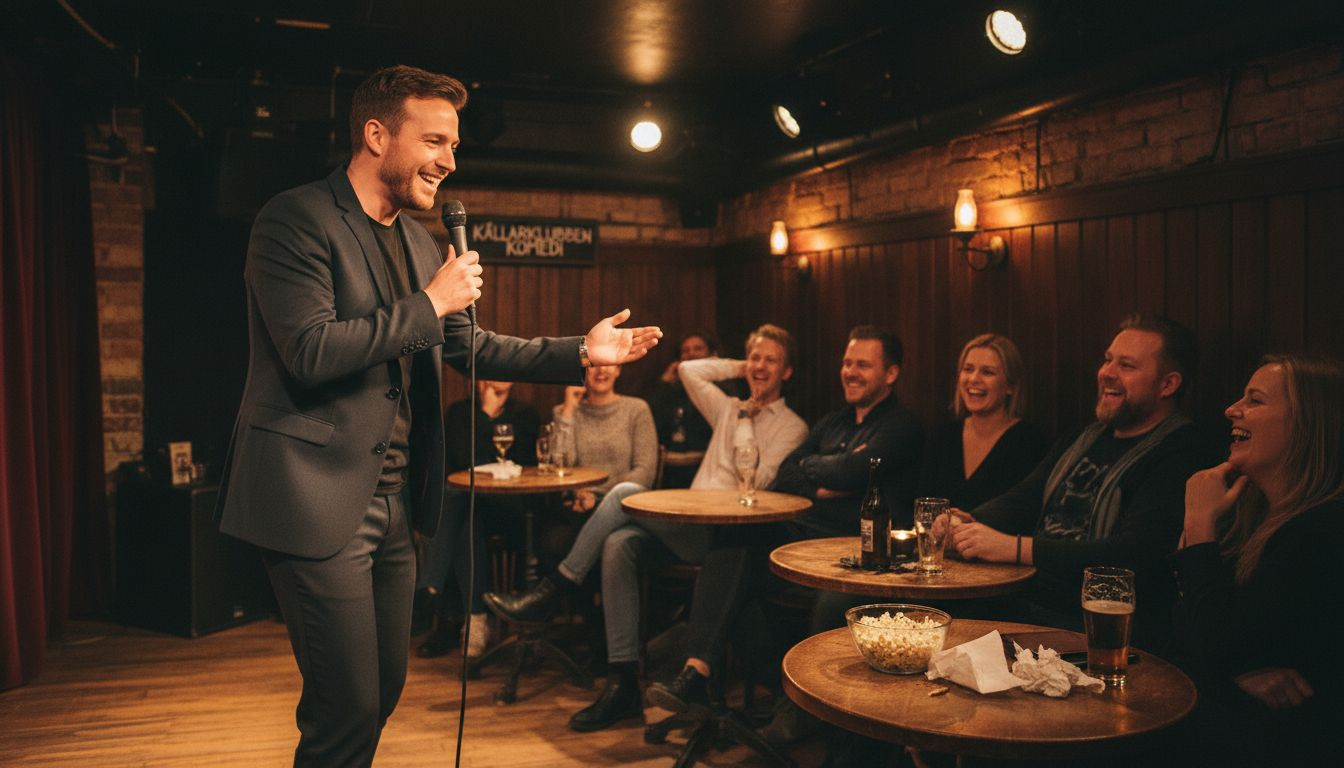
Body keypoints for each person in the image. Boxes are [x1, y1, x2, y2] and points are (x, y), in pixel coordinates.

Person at [214, 65, 660, 768]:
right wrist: (430, 303)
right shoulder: (295, 220)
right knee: (345, 707)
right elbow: (308, 350)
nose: (450, 160)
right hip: (312, 494)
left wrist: (582, 350)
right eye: (434, 141)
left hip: (394, 500)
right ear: (376, 135)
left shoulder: (420, 245)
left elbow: (472, 346)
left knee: (382, 691)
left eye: (453, 145)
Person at [483, 323, 808, 732]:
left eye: (771, 361)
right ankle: (622, 684)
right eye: (755, 357)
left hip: (728, 531)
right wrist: (745, 366)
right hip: (689, 524)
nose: (760, 366)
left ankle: (553, 589)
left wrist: (748, 414)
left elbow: (757, 482)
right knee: (620, 543)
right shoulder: (727, 408)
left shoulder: (791, 426)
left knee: (623, 493)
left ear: (787, 371)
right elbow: (690, 371)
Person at [645, 327, 922, 756]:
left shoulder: (902, 426)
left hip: (857, 554)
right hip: (803, 543)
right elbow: (789, 475)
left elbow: (849, 472)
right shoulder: (833, 422)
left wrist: (830, 471)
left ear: (891, 374)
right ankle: (702, 671)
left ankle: (790, 706)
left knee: (810, 596)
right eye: (847, 363)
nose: (850, 372)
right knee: (735, 546)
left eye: (863, 365)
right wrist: (829, 474)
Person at [947, 313, 1209, 653]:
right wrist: (965, 522)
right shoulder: (1086, 436)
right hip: (1030, 600)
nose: (1107, 373)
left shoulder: (1181, 450)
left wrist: (1014, 548)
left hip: (1095, 625)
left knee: (948, 631)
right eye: (1108, 360)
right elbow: (1026, 497)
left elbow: (1133, 553)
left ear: (1168, 385)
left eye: (1126, 366)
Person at [1170, 354, 1344, 761]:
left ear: (1306, 424)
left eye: (1255, 400)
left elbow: (1214, 643)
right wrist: (1232, 673)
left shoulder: (1324, 529)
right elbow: (1181, 623)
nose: (1232, 409)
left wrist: (1198, 524)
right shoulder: (1247, 516)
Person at [415, 380, 540, 660]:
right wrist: (484, 412)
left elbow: (524, 462)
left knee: (455, 502)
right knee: (464, 515)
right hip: (470, 506)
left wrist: (486, 418)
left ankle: (431, 591)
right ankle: (476, 619)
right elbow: (462, 460)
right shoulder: (460, 412)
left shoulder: (524, 414)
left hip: (510, 508)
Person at [919, 333, 1050, 512]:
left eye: (987, 372)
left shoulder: (1029, 442)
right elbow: (922, 507)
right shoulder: (943, 436)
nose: (973, 379)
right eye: (968, 369)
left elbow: (1025, 512)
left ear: (1010, 386)